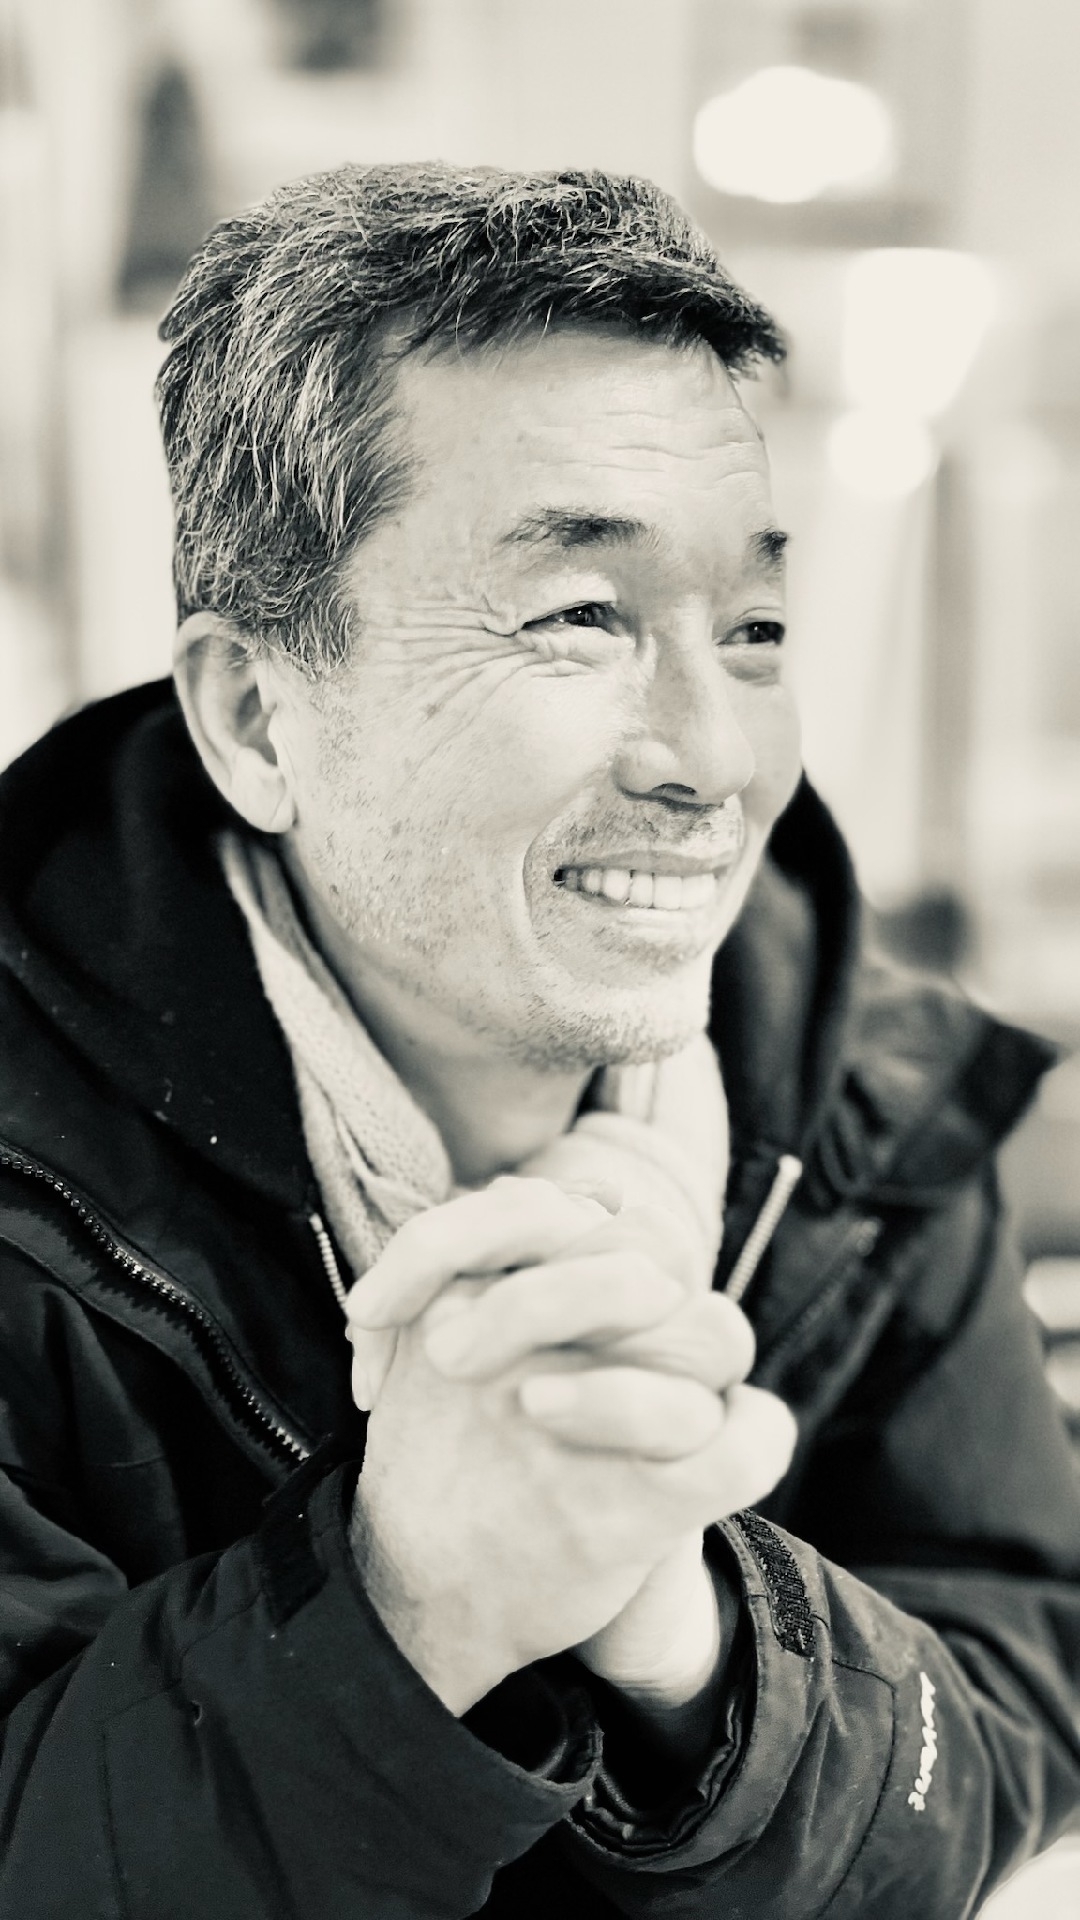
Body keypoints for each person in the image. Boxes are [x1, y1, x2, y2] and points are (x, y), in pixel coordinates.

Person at [0, 162, 1077, 1920]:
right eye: (581, 618)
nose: (712, 760)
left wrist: (692, 1630)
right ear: (259, 716)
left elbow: (1016, 1724)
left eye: (756, 631)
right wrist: (405, 1605)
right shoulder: (32, 1193)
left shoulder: (869, 1095)